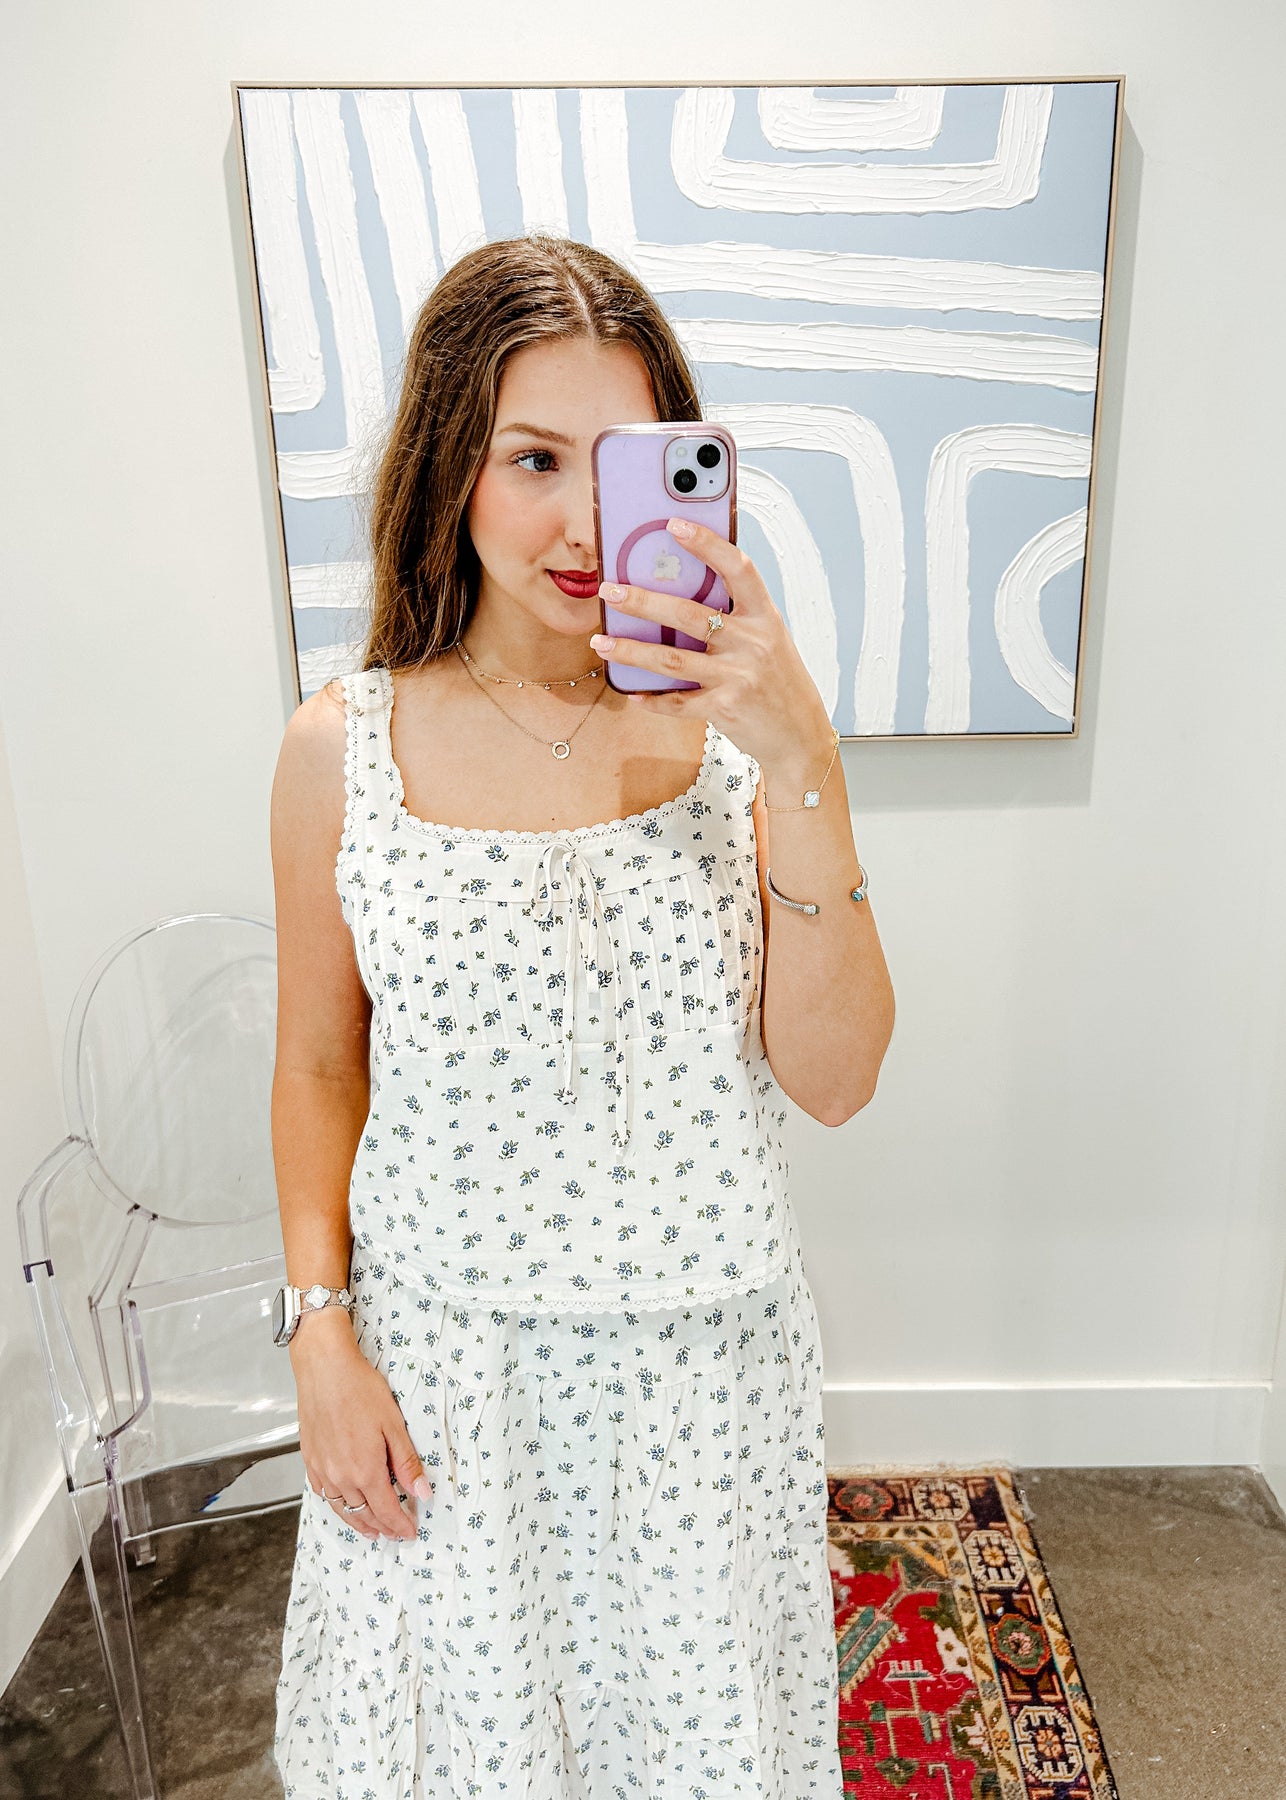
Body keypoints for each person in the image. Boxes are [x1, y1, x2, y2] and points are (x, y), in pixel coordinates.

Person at [268, 233, 894, 1798]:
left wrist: (804, 757)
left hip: (698, 1378)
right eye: (529, 458)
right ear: (448, 466)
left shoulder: (741, 742)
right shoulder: (343, 750)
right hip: (448, 1375)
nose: (577, 522)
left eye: (615, 463)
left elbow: (835, 1080)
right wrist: (319, 1336)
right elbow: (319, 1062)